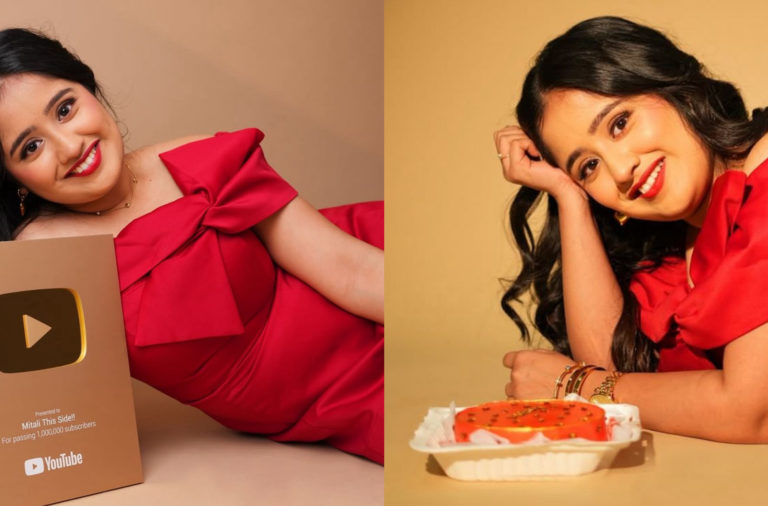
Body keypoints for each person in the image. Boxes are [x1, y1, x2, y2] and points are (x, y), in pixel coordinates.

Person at [0, 28, 383, 463]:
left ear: (89, 87)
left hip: (373, 293)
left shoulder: (202, 160)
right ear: (13, 178)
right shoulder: (39, 259)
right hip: (332, 404)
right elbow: (44, 418)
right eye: (30, 147)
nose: (70, 147)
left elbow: (350, 271)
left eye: (65, 108)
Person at [495, 16, 768, 441]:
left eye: (619, 123)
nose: (621, 171)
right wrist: (569, 195)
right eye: (589, 166)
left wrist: (574, 386)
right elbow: (613, 362)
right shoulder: (683, 243)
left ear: (672, 85)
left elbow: (751, 411)